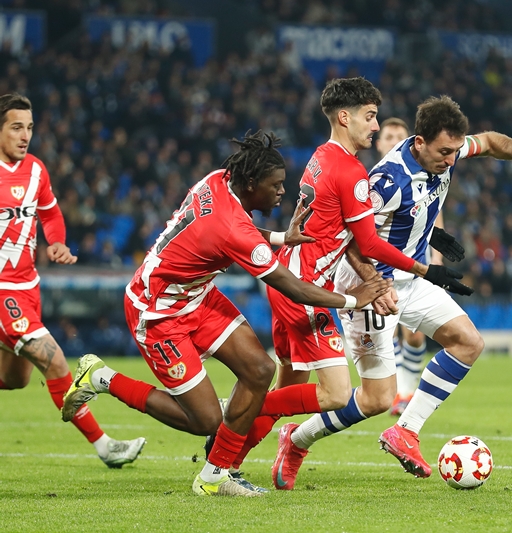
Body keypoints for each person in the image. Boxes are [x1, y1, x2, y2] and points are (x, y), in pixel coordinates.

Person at [61, 131, 391, 497]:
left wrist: (281, 238)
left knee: (261, 369)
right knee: (205, 420)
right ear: (251, 184)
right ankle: (102, 377)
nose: (282, 192)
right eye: (276, 185)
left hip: (197, 297)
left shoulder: (216, 181)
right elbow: (293, 287)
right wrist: (352, 299)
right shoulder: (232, 228)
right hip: (156, 312)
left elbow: (239, 227)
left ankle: (214, 476)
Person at [272, 95, 512, 487]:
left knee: (469, 342)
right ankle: (296, 439)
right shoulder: (385, 182)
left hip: (409, 281)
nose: (451, 159)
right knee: (375, 399)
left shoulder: (448, 152)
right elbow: (352, 242)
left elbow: (489, 141)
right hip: (368, 287)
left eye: (456, 150)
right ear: (419, 143)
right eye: (444, 151)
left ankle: (406, 431)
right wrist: (373, 283)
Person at [0, 93, 146, 468]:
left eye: (29, 128)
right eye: (16, 127)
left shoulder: (35, 170)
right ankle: (105, 446)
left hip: (27, 286)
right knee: (57, 363)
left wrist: (58, 241)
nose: (25, 135)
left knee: (15, 379)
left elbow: (50, 213)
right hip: (3, 292)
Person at [374, 118, 464, 416]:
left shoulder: (428, 174)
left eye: (400, 135)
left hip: (418, 263)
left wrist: (435, 255)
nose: (394, 139)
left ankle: (407, 390)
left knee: (413, 334)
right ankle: (392, 389)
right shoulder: (378, 182)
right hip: (379, 272)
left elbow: (431, 215)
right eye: (389, 135)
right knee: (385, 340)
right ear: (379, 142)